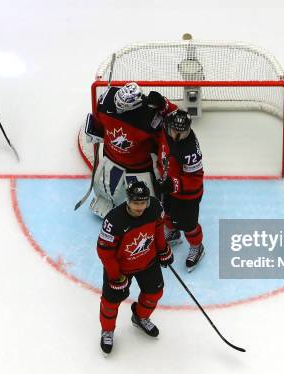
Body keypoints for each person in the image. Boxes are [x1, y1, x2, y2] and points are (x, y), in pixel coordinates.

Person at [96, 181, 173, 355]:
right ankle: (107, 330)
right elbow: (104, 252)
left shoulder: (154, 207)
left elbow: (158, 230)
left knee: (154, 292)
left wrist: (163, 249)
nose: (140, 207)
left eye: (143, 203)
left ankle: (140, 316)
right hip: (121, 268)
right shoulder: (113, 220)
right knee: (110, 303)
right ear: (128, 200)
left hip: (147, 261)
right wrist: (115, 276)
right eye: (136, 203)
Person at [83, 82, 178, 217]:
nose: (118, 108)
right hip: (111, 157)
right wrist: (95, 131)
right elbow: (98, 122)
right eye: (117, 102)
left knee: (145, 198)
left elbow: (165, 139)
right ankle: (107, 200)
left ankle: (148, 210)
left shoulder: (151, 116)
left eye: (122, 106)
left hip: (139, 166)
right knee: (106, 187)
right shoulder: (107, 100)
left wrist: (165, 106)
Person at [159, 110, 205, 271]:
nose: (177, 136)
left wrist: (174, 184)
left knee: (189, 225)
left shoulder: (190, 150)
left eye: (182, 132)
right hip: (170, 186)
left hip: (188, 196)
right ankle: (172, 233)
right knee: (168, 213)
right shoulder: (165, 126)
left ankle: (197, 247)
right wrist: (162, 103)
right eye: (175, 131)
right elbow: (170, 109)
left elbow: (195, 180)